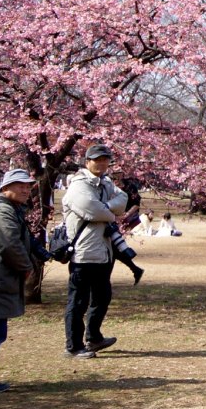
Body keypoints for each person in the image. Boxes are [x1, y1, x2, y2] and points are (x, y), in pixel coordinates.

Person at [61, 144, 129, 359]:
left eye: (105, 159)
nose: (101, 163)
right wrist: (109, 210)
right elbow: (92, 210)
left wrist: (105, 208)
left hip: (103, 252)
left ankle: (94, 338)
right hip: (83, 253)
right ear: (87, 161)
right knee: (78, 301)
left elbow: (123, 200)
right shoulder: (78, 184)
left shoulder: (106, 182)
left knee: (102, 297)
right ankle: (73, 346)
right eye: (96, 159)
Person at [0, 169, 38, 393]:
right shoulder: (2, 212)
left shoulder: (11, 211)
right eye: (19, 185)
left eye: (28, 186)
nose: (25, 189)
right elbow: (9, 244)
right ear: (4, 188)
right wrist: (26, 268)